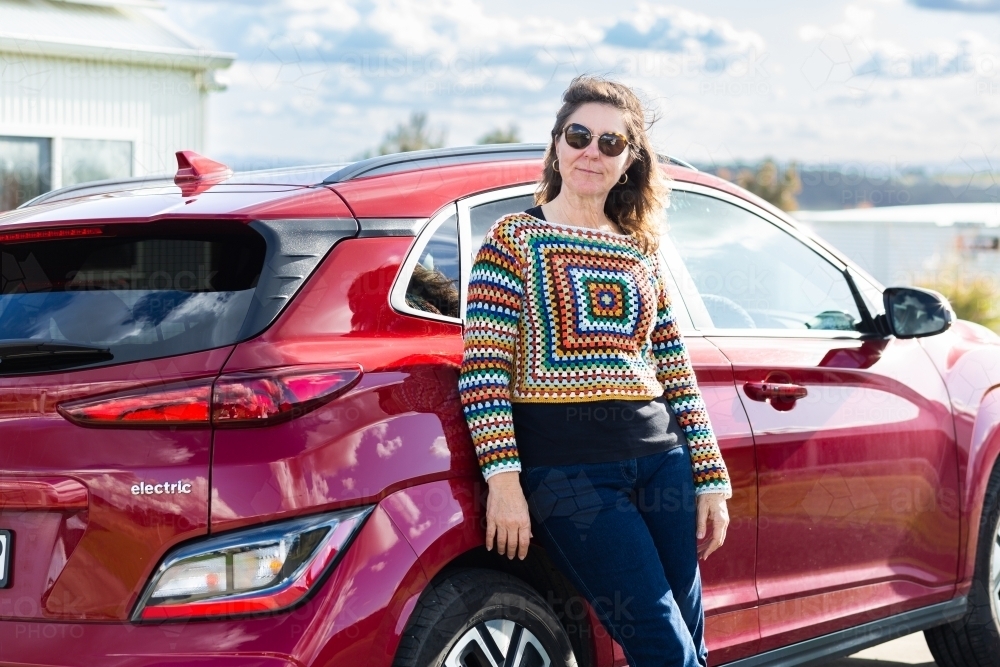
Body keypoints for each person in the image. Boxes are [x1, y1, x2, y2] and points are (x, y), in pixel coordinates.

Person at [457, 75, 733, 667]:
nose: (592, 152)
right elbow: (484, 373)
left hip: (664, 467)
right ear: (556, 144)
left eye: (612, 143)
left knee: (690, 637)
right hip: (572, 477)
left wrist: (710, 476)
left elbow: (674, 370)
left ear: (629, 161)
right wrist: (504, 483)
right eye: (580, 135)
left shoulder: (640, 249)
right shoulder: (513, 240)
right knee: (663, 644)